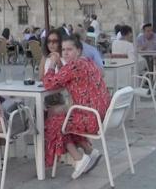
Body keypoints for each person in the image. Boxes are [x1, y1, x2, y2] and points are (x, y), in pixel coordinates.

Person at [43, 36, 109, 179]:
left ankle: (79, 159)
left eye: (69, 50)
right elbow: (67, 76)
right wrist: (61, 64)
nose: (65, 53)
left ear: (78, 50)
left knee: (54, 121)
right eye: (63, 50)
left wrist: (52, 65)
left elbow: (49, 84)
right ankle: (89, 150)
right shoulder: (87, 62)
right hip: (101, 115)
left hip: (90, 118)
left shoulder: (74, 66)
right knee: (64, 116)